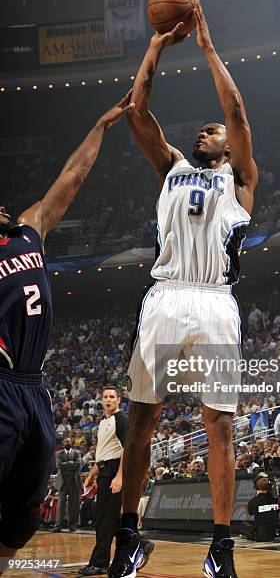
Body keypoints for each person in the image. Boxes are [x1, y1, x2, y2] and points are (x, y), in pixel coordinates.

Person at [109, 0, 257, 578]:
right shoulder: (171, 165)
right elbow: (137, 110)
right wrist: (155, 46)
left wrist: (206, 48)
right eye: (203, 127)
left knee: (218, 424)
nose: (206, 128)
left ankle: (222, 545)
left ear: (228, 146)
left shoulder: (240, 180)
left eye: (213, 129)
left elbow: (238, 111)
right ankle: (129, 536)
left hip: (216, 301)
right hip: (167, 296)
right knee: (142, 417)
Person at [0, 93, 134, 568]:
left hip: (34, 387)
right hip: (2, 378)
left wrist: (101, 124)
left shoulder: (28, 231)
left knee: (26, 510)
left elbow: (72, 176)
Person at [78, 386, 129, 576]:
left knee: (105, 520)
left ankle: (99, 563)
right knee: (106, 519)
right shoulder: (103, 422)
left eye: (112, 397)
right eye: (105, 396)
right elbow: (102, 455)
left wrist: (120, 476)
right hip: (104, 470)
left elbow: (127, 449)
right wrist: (91, 476)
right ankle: (138, 544)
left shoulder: (122, 420)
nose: (108, 399)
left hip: (115, 471)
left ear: (118, 401)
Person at [53, 437, 83, 532]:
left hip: (74, 481)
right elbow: (59, 465)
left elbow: (78, 464)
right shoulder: (58, 453)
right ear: (63, 443)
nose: (67, 442)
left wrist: (66, 464)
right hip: (63, 481)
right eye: (66, 441)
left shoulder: (77, 453)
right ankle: (58, 526)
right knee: (60, 505)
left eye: (69, 441)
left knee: (73, 505)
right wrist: (71, 464)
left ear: (72, 443)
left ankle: (72, 526)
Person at [243, 473, 280, 541]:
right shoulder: (275, 499)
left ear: (256, 487)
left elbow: (250, 513)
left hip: (262, 535)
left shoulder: (253, 502)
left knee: (244, 525)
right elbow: (279, 509)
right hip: (276, 531)